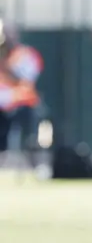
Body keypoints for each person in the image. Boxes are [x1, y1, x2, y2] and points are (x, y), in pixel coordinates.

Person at [0, 19, 44, 164]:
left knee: (31, 138)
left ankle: (38, 166)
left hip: (23, 104)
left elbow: (25, 78)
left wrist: (5, 64)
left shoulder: (26, 54)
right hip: (2, 106)